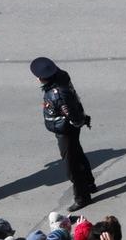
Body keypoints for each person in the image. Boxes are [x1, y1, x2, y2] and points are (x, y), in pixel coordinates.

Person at [30, 58, 96, 211]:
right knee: (78, 153)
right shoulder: (61, 77)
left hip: (66, 133)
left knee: (71, 167)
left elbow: (72, 115)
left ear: (42, 77)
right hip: (70, 129)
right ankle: (89, 183)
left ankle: (82, 197)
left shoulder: (57, 94)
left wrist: (73, 124)